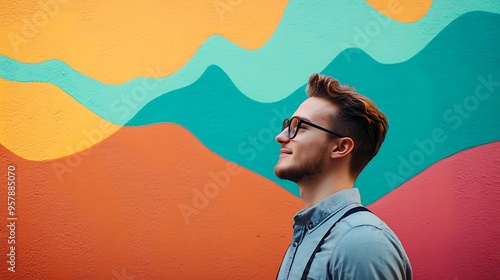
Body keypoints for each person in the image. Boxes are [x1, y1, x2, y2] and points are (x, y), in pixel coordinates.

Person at [275, 74, 412, 279]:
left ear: (340, 147)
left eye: (300, 128)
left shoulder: (361, 241)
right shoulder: (309, 233)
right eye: (287, 126)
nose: (281, 136)